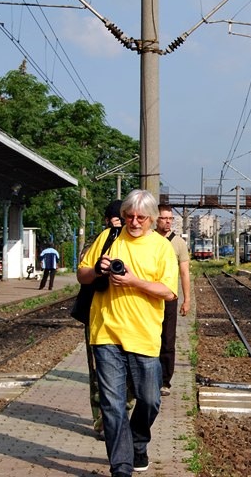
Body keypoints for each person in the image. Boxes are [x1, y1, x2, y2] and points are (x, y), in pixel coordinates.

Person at [77, 190, 178, 476]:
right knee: (113, 403)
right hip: (105, 332)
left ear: (152, 219)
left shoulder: (161, 248)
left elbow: (169, 292)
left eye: (141, 218)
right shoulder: (109, 238)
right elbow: (82, 275)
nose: (134, 223)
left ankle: (137, 442)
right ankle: (121, 467)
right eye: (129, 217)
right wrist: (97, 270)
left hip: (144, 335)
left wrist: (134, 281)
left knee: (149, 399)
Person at [81, 199, 123, 437]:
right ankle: (102, 420)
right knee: (98, 370)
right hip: (97, 312)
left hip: (130, 315)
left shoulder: (139, 240)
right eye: (115, 219)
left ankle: (119, 414)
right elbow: (83, 271)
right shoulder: (101, 239)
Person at [156, 204, 192, 397]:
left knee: (168, 339)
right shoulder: (148, 239)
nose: (168, 221)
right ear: (156, 219)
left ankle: (164, 381)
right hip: (150, 296)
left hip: (170, 297)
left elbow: (184, 272)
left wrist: (187, 300)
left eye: (170, 218)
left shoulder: (178, 243)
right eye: (164, 218)